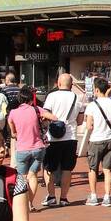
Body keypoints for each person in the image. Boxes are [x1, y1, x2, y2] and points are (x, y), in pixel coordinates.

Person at [7, 86, 55, 210]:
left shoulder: (13, 113)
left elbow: (13, 132)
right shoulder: (36, 109)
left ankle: (22, 203)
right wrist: (43, 118)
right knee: (33, 176)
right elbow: (54, 117)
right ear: (31, 99)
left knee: (22, 178)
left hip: (22, 148)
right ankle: (30, 203)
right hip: (38, 148)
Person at [41, 72, 82, 207]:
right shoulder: (77, 98)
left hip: (53, 138)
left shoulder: (52, 96)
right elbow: (80, 120)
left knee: (49, 168)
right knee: (67, 169)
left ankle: (51, 196)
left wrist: (55, 118)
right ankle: (64, 198)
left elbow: (44, 113)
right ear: (71, 85)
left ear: (58, 83)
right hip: (70, 137)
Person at [82, 77, 111, 207]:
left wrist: (95, 124)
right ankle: (107, 197)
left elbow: (89, 126)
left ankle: (94, 196)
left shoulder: (92, 105)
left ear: (97, 90)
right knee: (107, 169)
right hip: (110, 139)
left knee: (93, 169)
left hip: (96, 140)